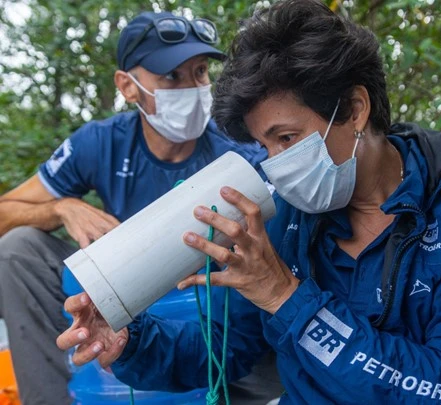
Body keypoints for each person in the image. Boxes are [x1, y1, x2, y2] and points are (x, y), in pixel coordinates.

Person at [57, 1, 441, 403]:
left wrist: (288, 299)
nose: (277, 164)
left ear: (353, 109)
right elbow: (224, 347)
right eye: (265, 147)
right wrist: (130, 341)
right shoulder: (287, 215)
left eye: (287, 137)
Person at [0, 10, 284, 405]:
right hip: (118, 286)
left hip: (208, 304)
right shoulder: (101, 143)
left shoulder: (236, 156)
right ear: (127, 86)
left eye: (200, 72)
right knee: (17, 250)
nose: (192, 87)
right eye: (171, 77)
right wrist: (60, 208)